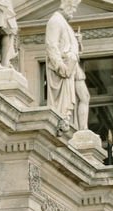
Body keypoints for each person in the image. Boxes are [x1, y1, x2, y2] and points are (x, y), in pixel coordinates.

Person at [44, 0, 89, 133]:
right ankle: (73, 124)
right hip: (66, 67)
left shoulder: (64, 23)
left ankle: (83, 129)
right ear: (67, 5)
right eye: (73, 7)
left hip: (73, 65)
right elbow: (51, 45)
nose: (74, 11)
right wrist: (60, 66)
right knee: (74, 100)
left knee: (85, 96)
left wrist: (77, 42)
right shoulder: (55, 21)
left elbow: (69, 46)